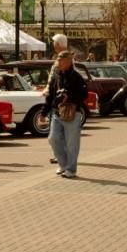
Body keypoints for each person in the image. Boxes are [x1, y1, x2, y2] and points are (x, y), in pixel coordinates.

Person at [39, 50, 87, 178]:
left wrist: (69, 97)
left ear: (68, 61)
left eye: (61, 61)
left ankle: (71, 169)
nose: (58, 63)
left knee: (72, 143)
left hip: (72, 113)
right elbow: (50, 96)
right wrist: (43, 113)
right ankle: (63, 164)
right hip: (56, 112)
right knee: (53, 138)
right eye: (58, 60)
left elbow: (84, 95)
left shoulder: (76, 77)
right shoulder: (56, 75)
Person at [45, 34, 70, 164]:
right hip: (57, 98)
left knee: (57, 131)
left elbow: (57, 79)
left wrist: (49, 89)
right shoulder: (63, 58)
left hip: (59, 100)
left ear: (58, 44)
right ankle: (59, 154)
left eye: (54, 42)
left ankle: (61, 156)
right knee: (58, 131)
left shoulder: (64, 59)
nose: (53, 45)